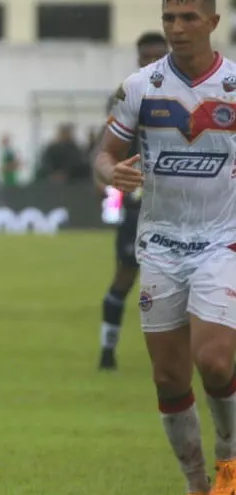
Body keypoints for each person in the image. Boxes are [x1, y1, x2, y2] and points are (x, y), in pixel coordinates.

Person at [94, 0, 236, 495]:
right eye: (169, 18)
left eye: (189, 18)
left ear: (213, 22)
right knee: (169, 376)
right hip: (158, 244)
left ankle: (229, 463)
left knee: (214, 359)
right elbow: (105, 154)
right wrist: (113, 171)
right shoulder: (140, 88)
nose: (177, 28)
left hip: (223, 241)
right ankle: (197, 486)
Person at [97, 32, 170, 371]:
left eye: (157, 55)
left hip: (180, 206)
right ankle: (107, 351)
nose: (151, 62)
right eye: (145, 57)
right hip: (137, 203)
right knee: (124, 278)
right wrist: (106, 179)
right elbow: (106, 150)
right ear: (138, 59)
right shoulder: (129, 95)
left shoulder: (190, 95)